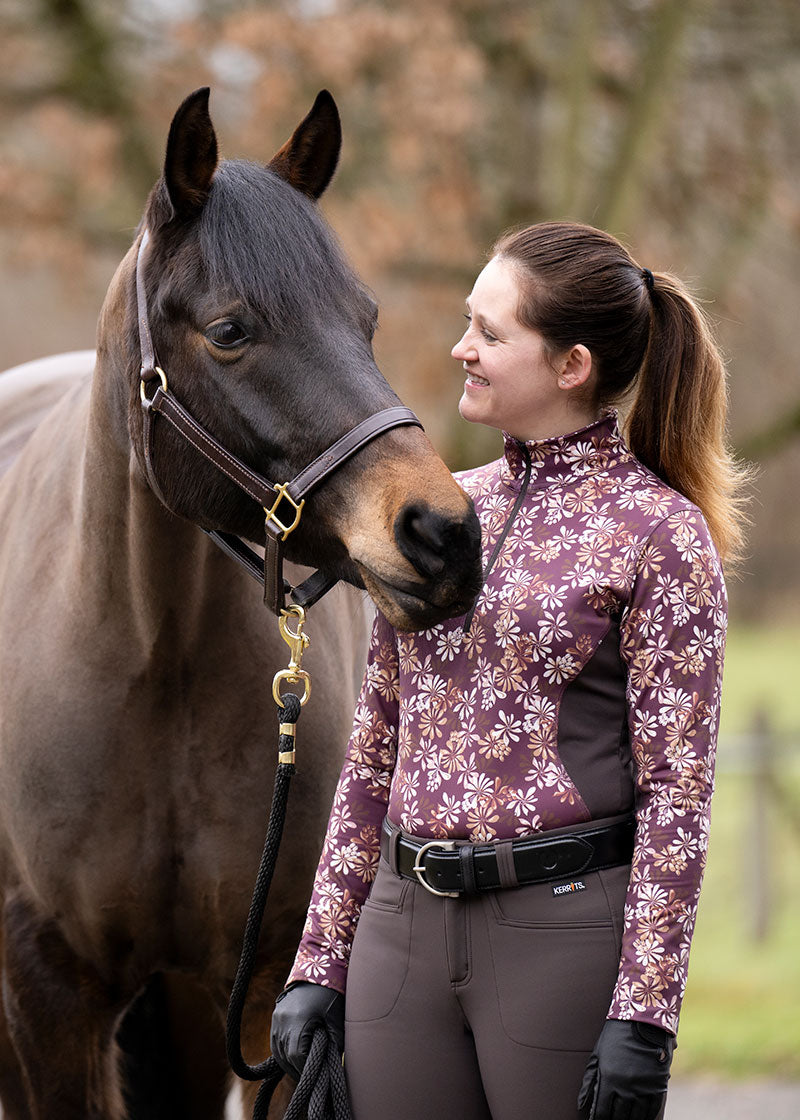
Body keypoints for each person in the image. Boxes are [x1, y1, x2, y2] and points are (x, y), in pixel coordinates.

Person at [270, 221, 747, 1120]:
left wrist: (645, 1014)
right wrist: (318, 963)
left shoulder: (661, 536)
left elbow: (676, 796)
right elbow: (374, 754)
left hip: (560, 934)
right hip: (398, 936)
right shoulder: (441, 512)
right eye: (468, 323)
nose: (463, 348)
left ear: (571, 366)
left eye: (491, 333)